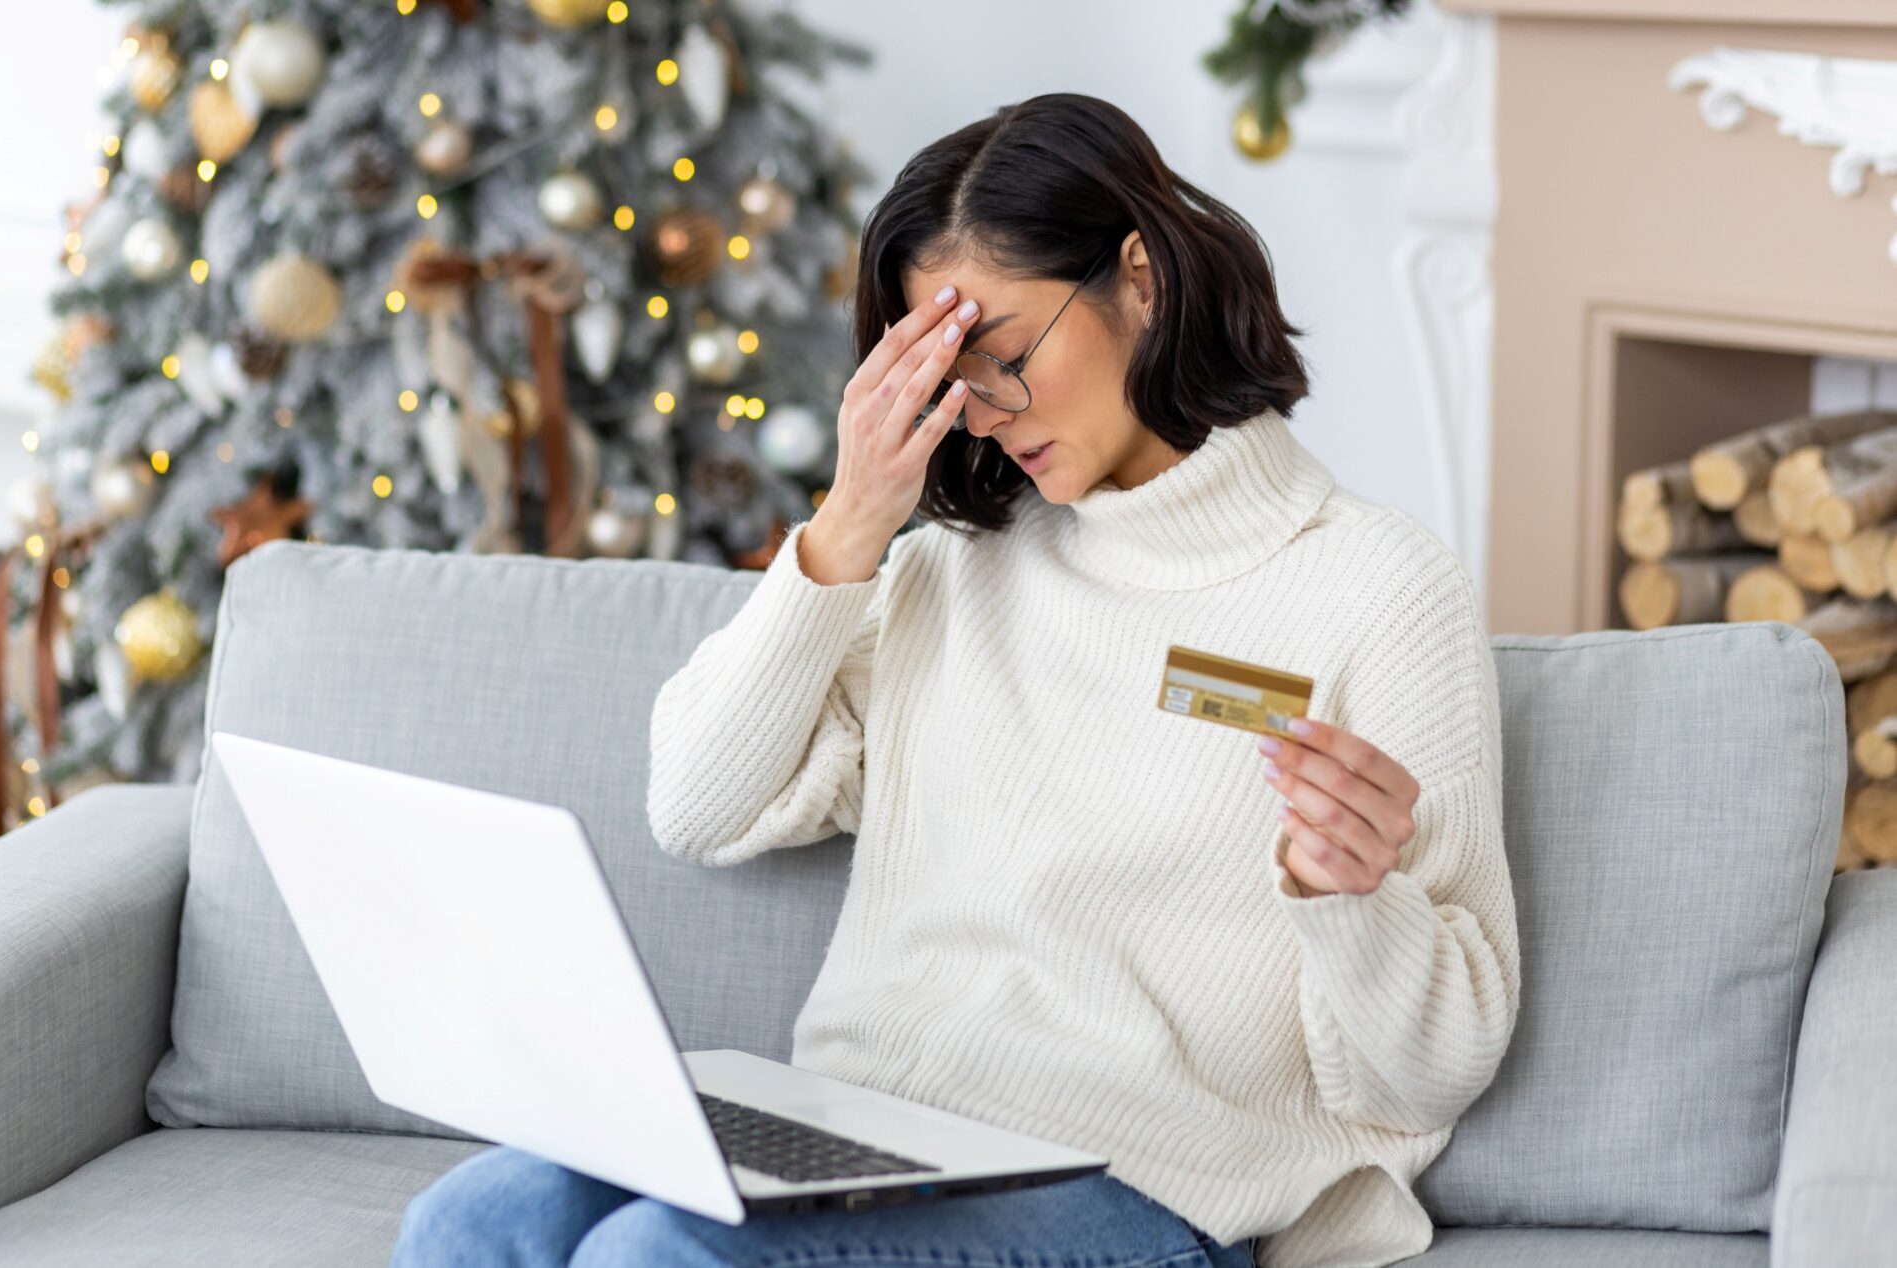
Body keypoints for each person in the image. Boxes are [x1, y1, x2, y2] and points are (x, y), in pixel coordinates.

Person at [393, 91, 1521, 1268]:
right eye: (949, 378)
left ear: (1140, 277)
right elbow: (695, 803)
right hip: (868, 1133)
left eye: (1008, 355)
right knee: (473, 1222)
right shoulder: (947, 573)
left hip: (1142, 1189)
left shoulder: (1378, 588)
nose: (984, 414)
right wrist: (846, 524)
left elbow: (1433, 1066)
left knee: (655, 1258)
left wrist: (1347, 897)